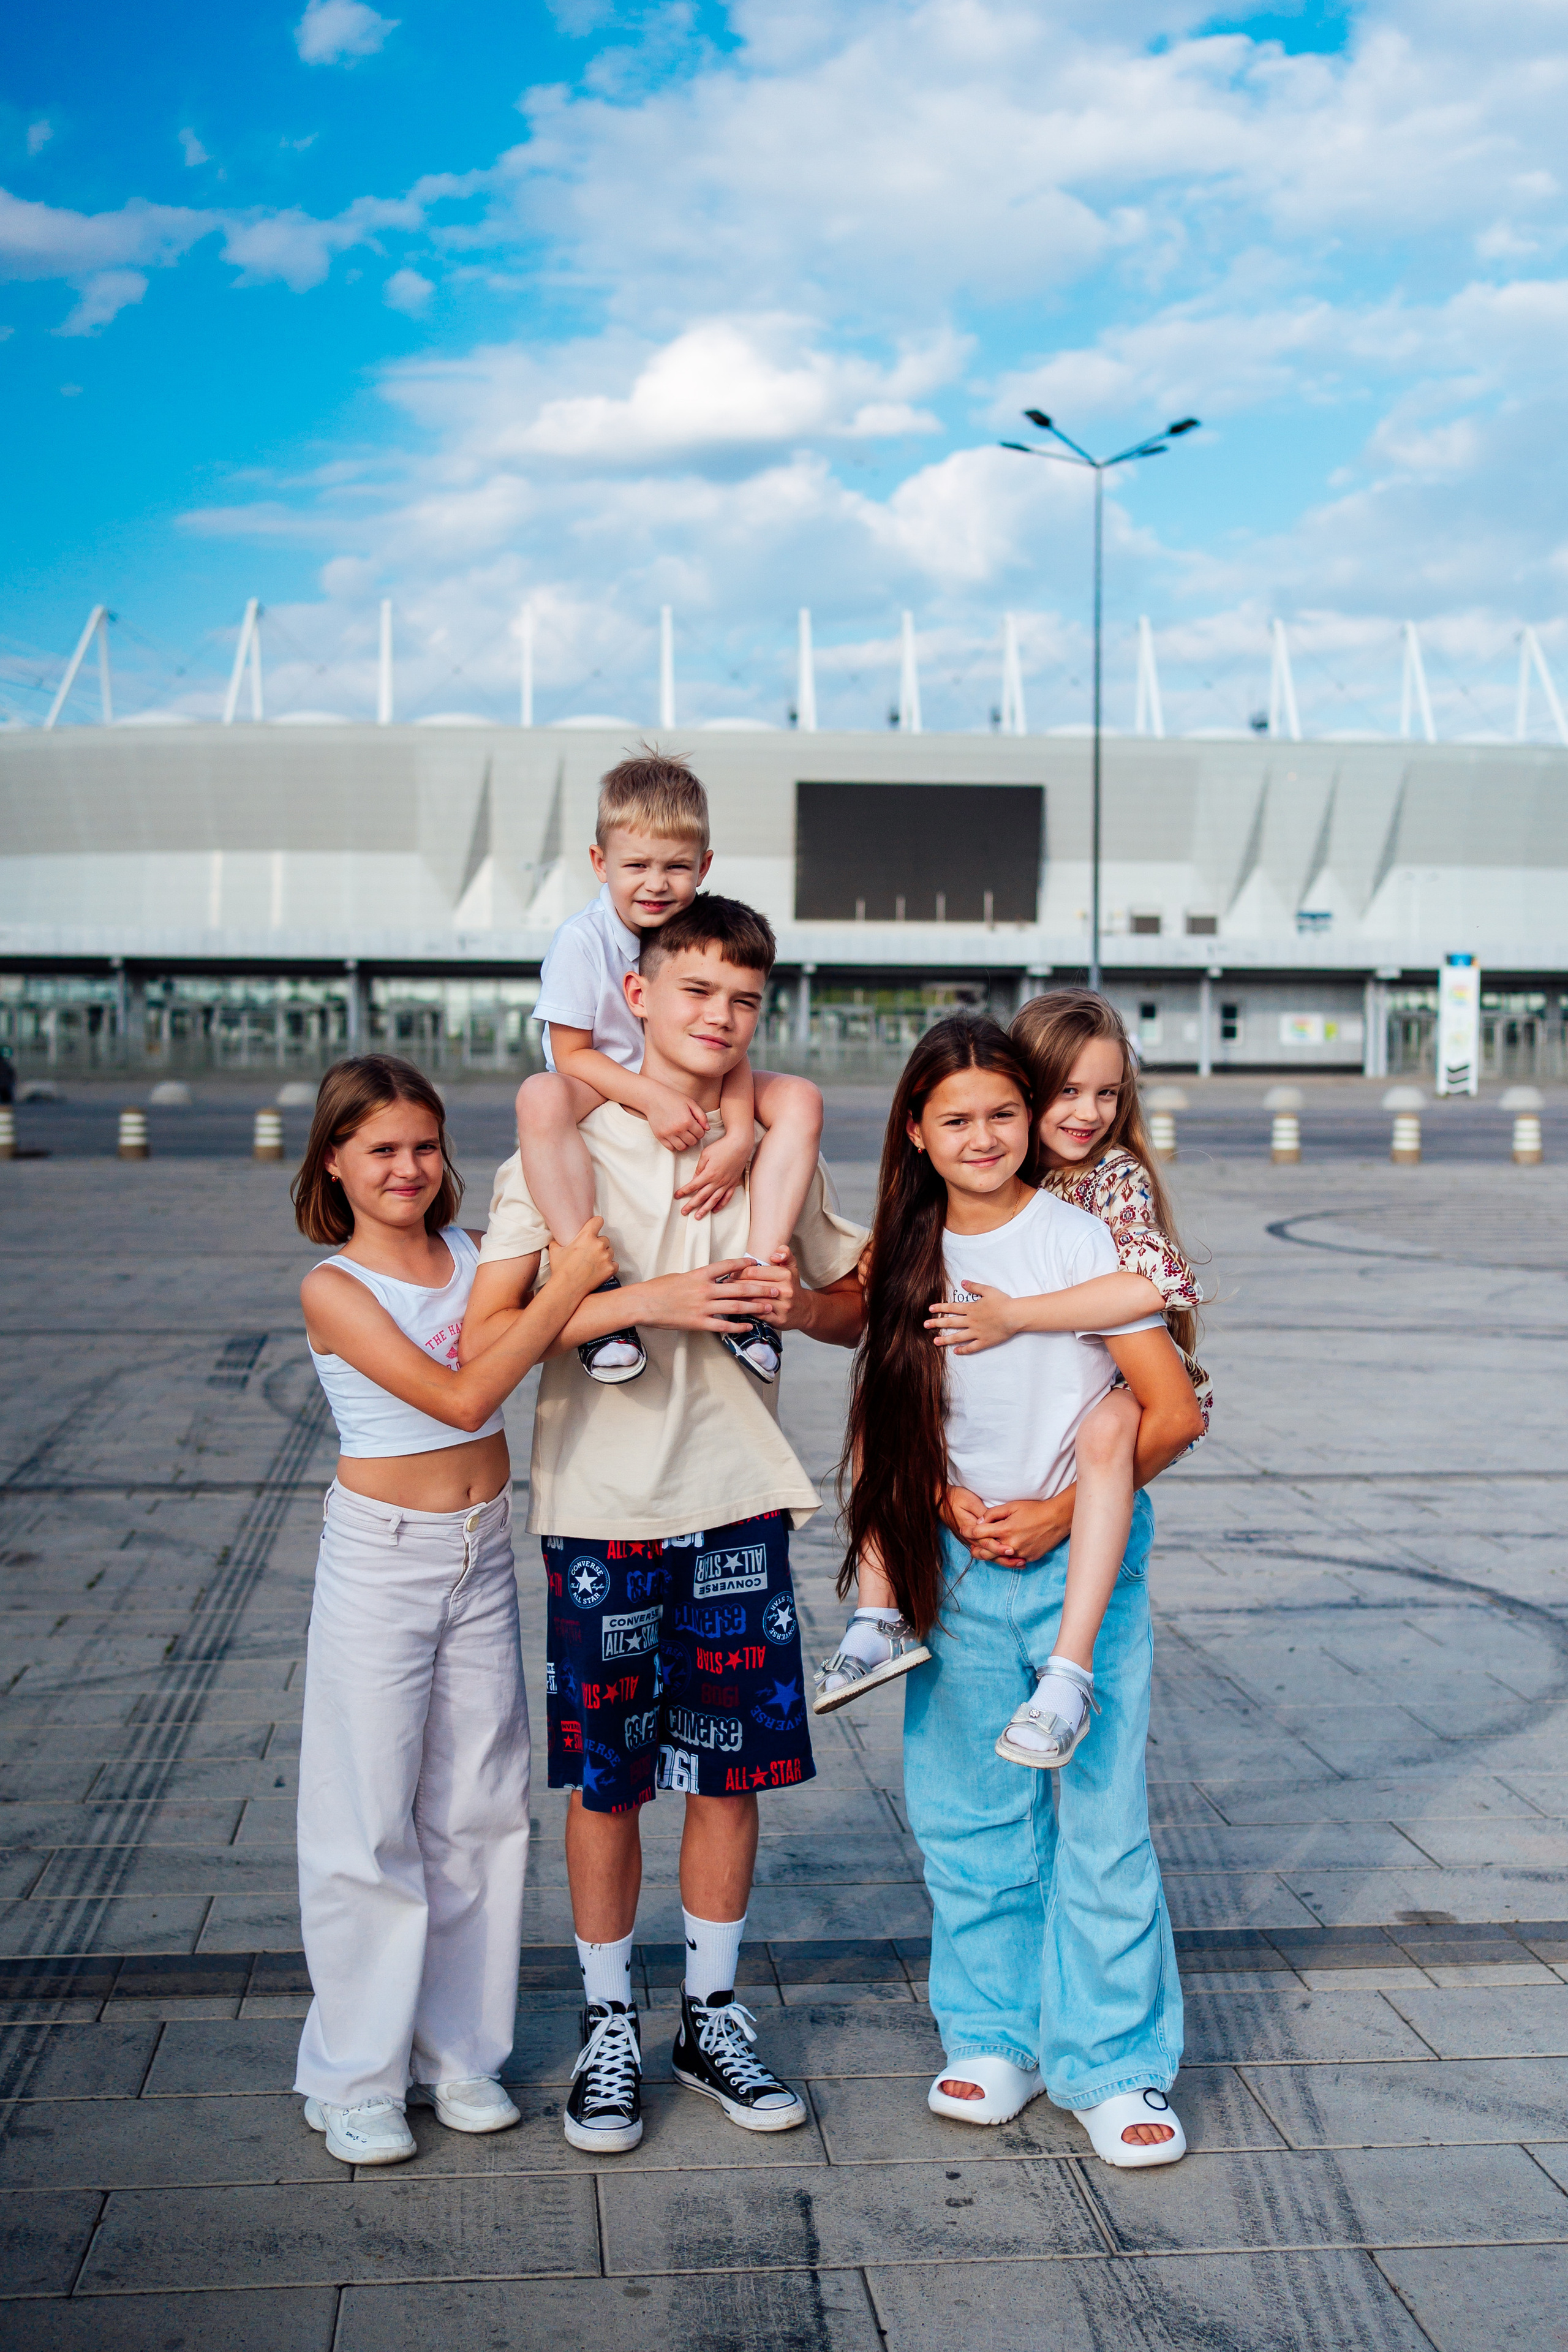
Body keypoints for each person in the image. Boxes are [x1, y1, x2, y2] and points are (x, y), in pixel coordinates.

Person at [459, 895, 865, 2157]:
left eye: (743, 1000)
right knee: (606, 1782)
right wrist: (653, 1297)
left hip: (736, 1497)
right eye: (696, 991)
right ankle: (604, 2027)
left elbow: (850, 1306)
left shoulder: (768, 1142)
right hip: (601, 1512)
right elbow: (487, 1342)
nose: (721, 1017)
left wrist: (786, 1309)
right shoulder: (563, 1138)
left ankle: (709, 2015)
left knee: (727, 1776)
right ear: (634, 995)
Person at [842, 1014, 1204, 2166]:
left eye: (1008, 1111)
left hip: (1076, 1553)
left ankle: (1112, 2064)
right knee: (966, 1812)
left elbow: (1173, 1407)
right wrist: (941, 1503)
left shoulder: (1084, 1239)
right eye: (963, 1117)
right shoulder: (908, 1245)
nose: (990, 1134)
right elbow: (887, 1399)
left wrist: (1057, 1511)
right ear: (917, 1128)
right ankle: (996, 2035)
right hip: (953, 1551)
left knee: (1097, 1821)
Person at [291, 1054, 614, 2168]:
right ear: (334, 1160)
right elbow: (466, 1393)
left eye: (424, 1146)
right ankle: (355, 2077)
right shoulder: (334, 1287)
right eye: (380, 1149)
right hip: (380, 1557)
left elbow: (570, 1326)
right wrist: (567, 1287)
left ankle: (459, 2058)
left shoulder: (480, 1258)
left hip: (481, 1552)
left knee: (481, 1807)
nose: (408, 1169)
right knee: (367, 1818)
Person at [814, 990, 1205, 1755]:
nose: (1085, 1113)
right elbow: (879, 1344)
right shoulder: (924, 1216)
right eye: (1065, 1092)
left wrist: (1015, 1314)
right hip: (965, 1529)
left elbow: (1153, 1287)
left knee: (1111, 1423)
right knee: (876, 1399)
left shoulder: (1106, 1188)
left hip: (1118, 1424)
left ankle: (1070, 1673)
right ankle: (876, 1615)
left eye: (1106, 1093)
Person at [516, 748, 823, 1387]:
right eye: (636, 866)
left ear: (703, 866)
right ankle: (595, 1285)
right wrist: (650, 1099)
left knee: (798, 1099)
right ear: (600, 864)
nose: (656, 884)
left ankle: (756, 1280)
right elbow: (571, 1053)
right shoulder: (583, 940)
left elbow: (726, 1045)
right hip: (599, 1081)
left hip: (690, 1080)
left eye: (676, 867)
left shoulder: (695, 928)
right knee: (539, 1098)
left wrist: (739, 1134)